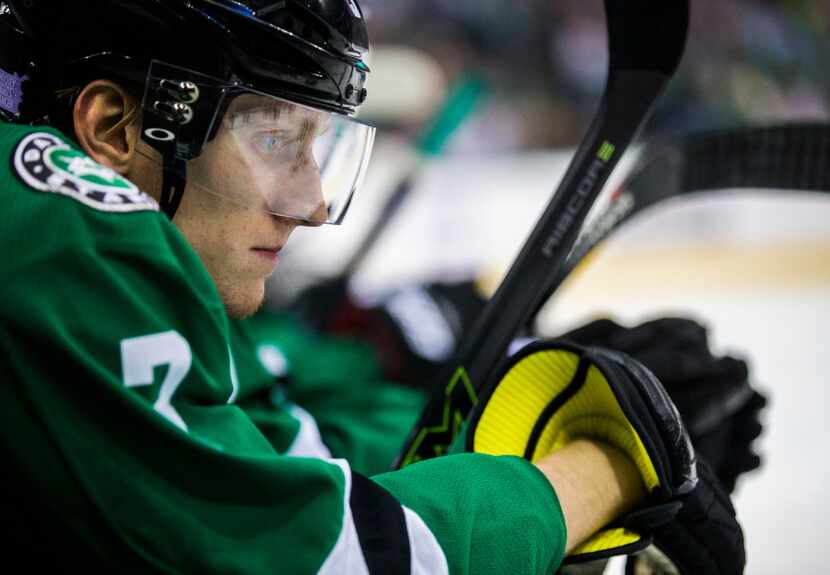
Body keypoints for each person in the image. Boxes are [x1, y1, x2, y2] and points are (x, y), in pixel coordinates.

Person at [0, 1, 745, 573]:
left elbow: (298, 466)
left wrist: (502, 430)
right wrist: (608, 464)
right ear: (114, 128)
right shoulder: (58, 228)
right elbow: (331, 556)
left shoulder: (107, 246)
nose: (314, 202)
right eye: (273, 140)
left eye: (315, 146)